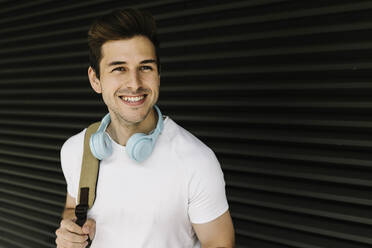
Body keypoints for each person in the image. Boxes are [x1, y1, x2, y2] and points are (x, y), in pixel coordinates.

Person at [55, 8, 235, 248]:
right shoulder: (76, 149)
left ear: (158, 75)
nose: (134, 83)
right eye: (119, 68)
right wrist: (70, 230)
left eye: (145, 67)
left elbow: (219, 243)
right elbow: (72, 207)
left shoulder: (196, 160)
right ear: (95, 79)